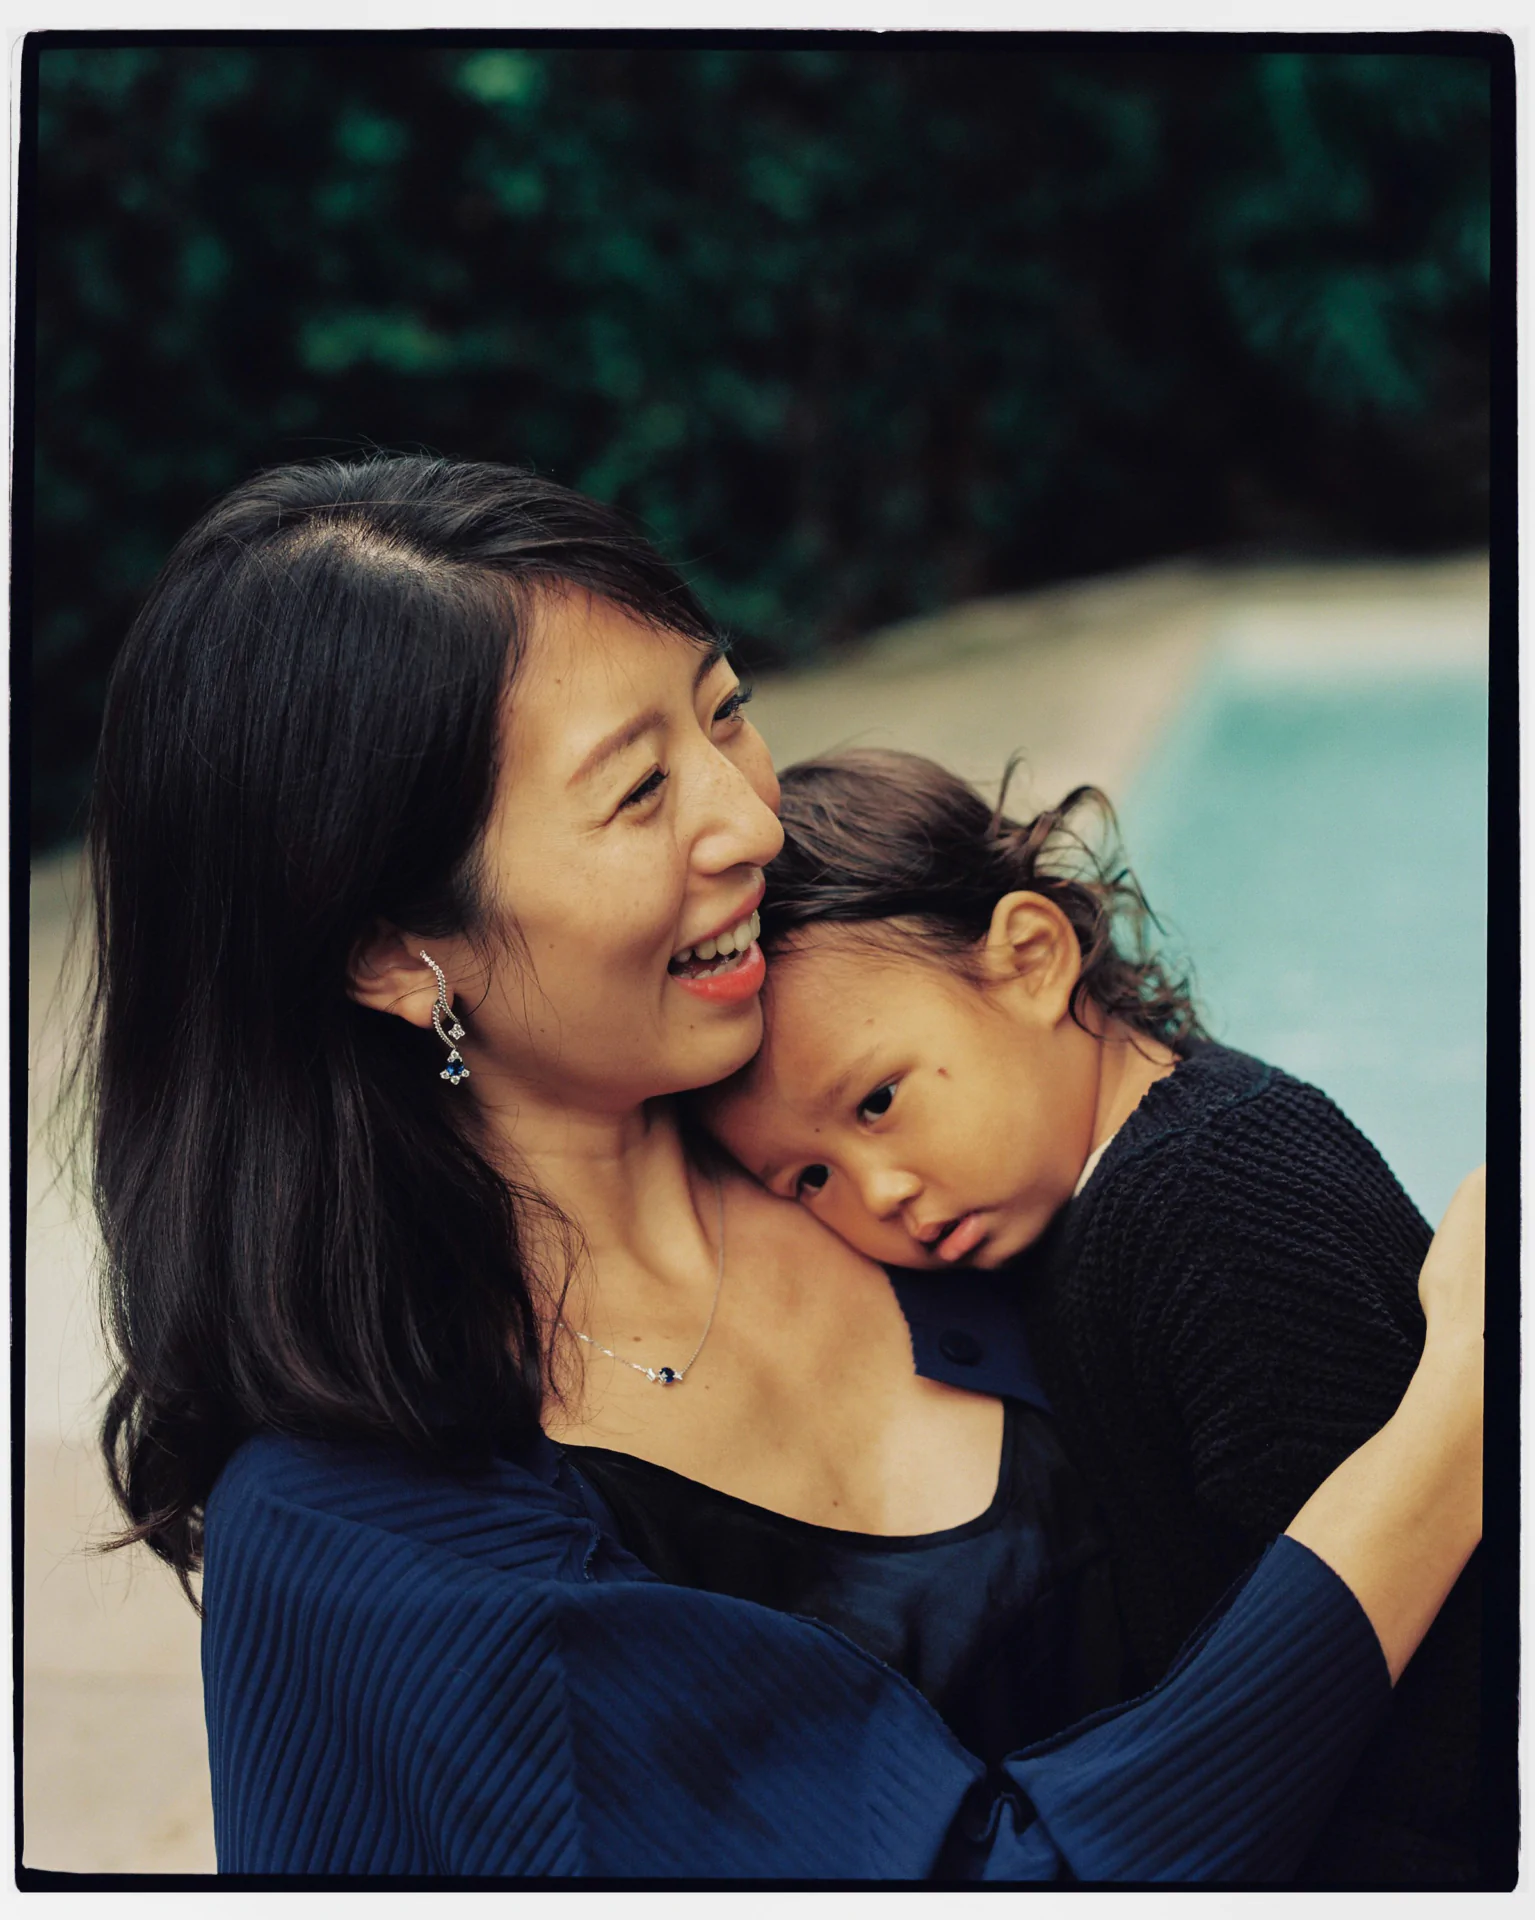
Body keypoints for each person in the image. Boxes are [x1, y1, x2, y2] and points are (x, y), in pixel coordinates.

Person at [77, 455, 1483, 1882]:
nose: (750, 823)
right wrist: (1461, 1417)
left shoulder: (879, 1141)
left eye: (723, 711)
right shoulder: (375, 1538)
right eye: (636, 793)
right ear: (391, 951)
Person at [699, 746, 1485, 1884]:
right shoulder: (1064, 1202)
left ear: (1027, 959)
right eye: (804, 1179)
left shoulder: (1221, 1200)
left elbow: (1433, 1661)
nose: (878, 1196)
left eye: (876, 1101)